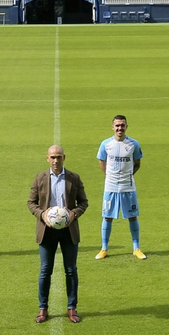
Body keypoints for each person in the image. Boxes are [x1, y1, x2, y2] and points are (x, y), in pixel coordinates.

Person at [28, 144, 88, 324]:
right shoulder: (40, 178)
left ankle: (72, 308)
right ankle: (42, 308)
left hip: (68, 230)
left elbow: (83, 202)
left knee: (71, 270)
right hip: (47, 231)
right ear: (47, 158)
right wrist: (42, 214)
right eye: (53, 157)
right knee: (45, 271)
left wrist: (73, 214)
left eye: (59, 157)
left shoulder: (74, 178)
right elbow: (31, 203)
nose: (56, 160)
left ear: (64, 158)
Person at [95, 114, 144, 260]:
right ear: (112, 127)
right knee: (107, 217)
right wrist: (110, 176)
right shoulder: (106, 144)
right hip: (110, 187)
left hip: (128, 187)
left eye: (122, 125)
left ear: (126, 127)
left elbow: (137, 163)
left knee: (132, 216)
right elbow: (102, 162)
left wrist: (128, 176)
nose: (119, 128)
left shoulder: (133, 144)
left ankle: (136, 248)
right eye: (117, 125)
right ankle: (104, 248)